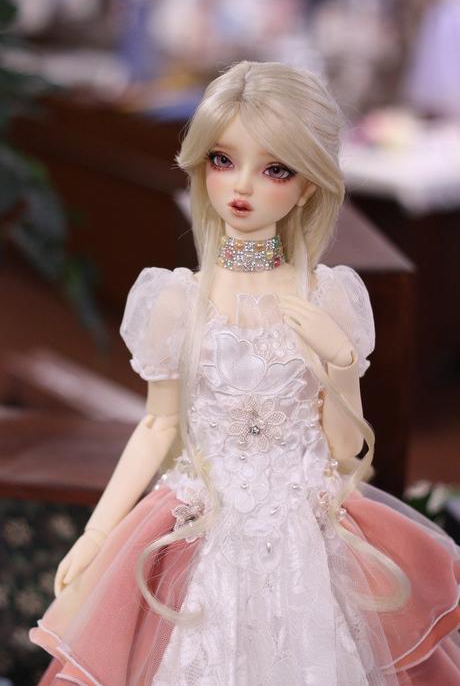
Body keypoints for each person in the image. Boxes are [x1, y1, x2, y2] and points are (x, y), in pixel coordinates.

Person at [30, 60, 460, 685]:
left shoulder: (329, 297)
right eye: (224, 160)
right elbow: (156, 424)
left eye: (275, 169)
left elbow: (346, 453)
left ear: (307, 187)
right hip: (202, 527)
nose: (242, 186)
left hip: (305, 537)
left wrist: (341, 365)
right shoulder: (176, 300)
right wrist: (97, 535)